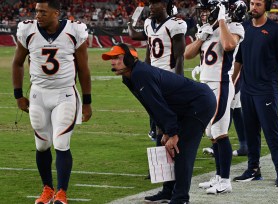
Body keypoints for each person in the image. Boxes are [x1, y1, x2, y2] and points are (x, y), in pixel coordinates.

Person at [102, 43, 216, 204]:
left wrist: (173, 133)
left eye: (117, 58)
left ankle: (181, 198)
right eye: (111, 59)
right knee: (167, 149)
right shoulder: (130, 76)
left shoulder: (140, 74)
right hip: (182, 107)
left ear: (129, 58)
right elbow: (151, 106)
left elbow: (158, 105)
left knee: (181, 150)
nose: (113, 62)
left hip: (199, 103)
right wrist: (164, 130)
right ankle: (168, 191)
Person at [12, 1, 92, 203]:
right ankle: (47, 189)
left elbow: (83, 68)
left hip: (64, 94)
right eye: (37, 11)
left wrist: (88, 101)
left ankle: (62, 192)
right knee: (41, 145)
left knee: (61, 142)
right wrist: (18, 95)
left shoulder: (74, 30)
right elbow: (17, 63)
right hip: (38, 94)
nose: (38, 15)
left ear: (56, 13)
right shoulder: (27, 30)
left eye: (43, 12)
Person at [184, 0, 245, 194]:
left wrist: (220, 22)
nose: (203, 14)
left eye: (207, 10)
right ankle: (219, 176)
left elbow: (228, 45)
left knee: (219, 131)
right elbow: (187, 54)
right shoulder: (205, 28)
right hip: (205, 86)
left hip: (221, 85)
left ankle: (225, 181)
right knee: (211, 133)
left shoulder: (233, 26)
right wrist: (201, 38)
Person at [232, 0, 278, 187]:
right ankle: (253, 169)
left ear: (266, 7)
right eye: (252, 3)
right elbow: (238, 60)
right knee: (251, 132)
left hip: (266, 90)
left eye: (258, 4)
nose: (253, 8)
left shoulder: (275, 29)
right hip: (247, 90)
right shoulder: (244, 28)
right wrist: (231, 83)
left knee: (271, 133)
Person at [127, 0, 187, 144]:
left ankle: (170, 152)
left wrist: (180, 83)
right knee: (157, 117)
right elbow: (135, 37)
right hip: (153, 76)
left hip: (168, 76)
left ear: (165, 5)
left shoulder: (175, 24)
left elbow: (180, 57)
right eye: (150, 4)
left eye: (154, 4)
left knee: (166, 120)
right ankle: (161, 152)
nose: (151, 7)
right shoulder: (149, 23)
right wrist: (130, 23)